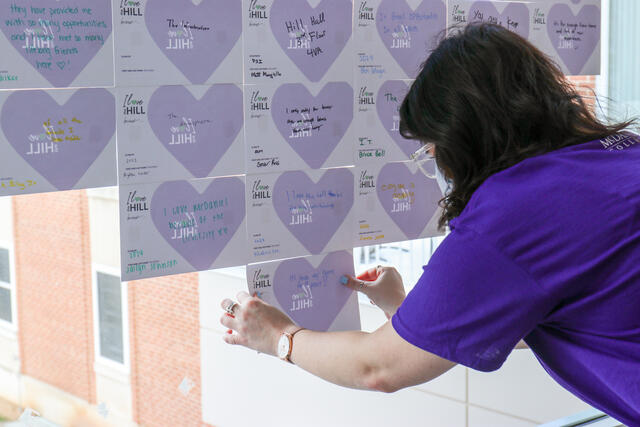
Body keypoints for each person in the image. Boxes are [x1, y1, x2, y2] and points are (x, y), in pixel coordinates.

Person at [220, 23, 640, 425]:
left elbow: (378, 368)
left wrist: (279, 336)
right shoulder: (623, 154)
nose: (436, 162)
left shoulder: (510, 218)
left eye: (432, 148)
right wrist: (403, 308)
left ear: (465, 138)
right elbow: (559, 309)